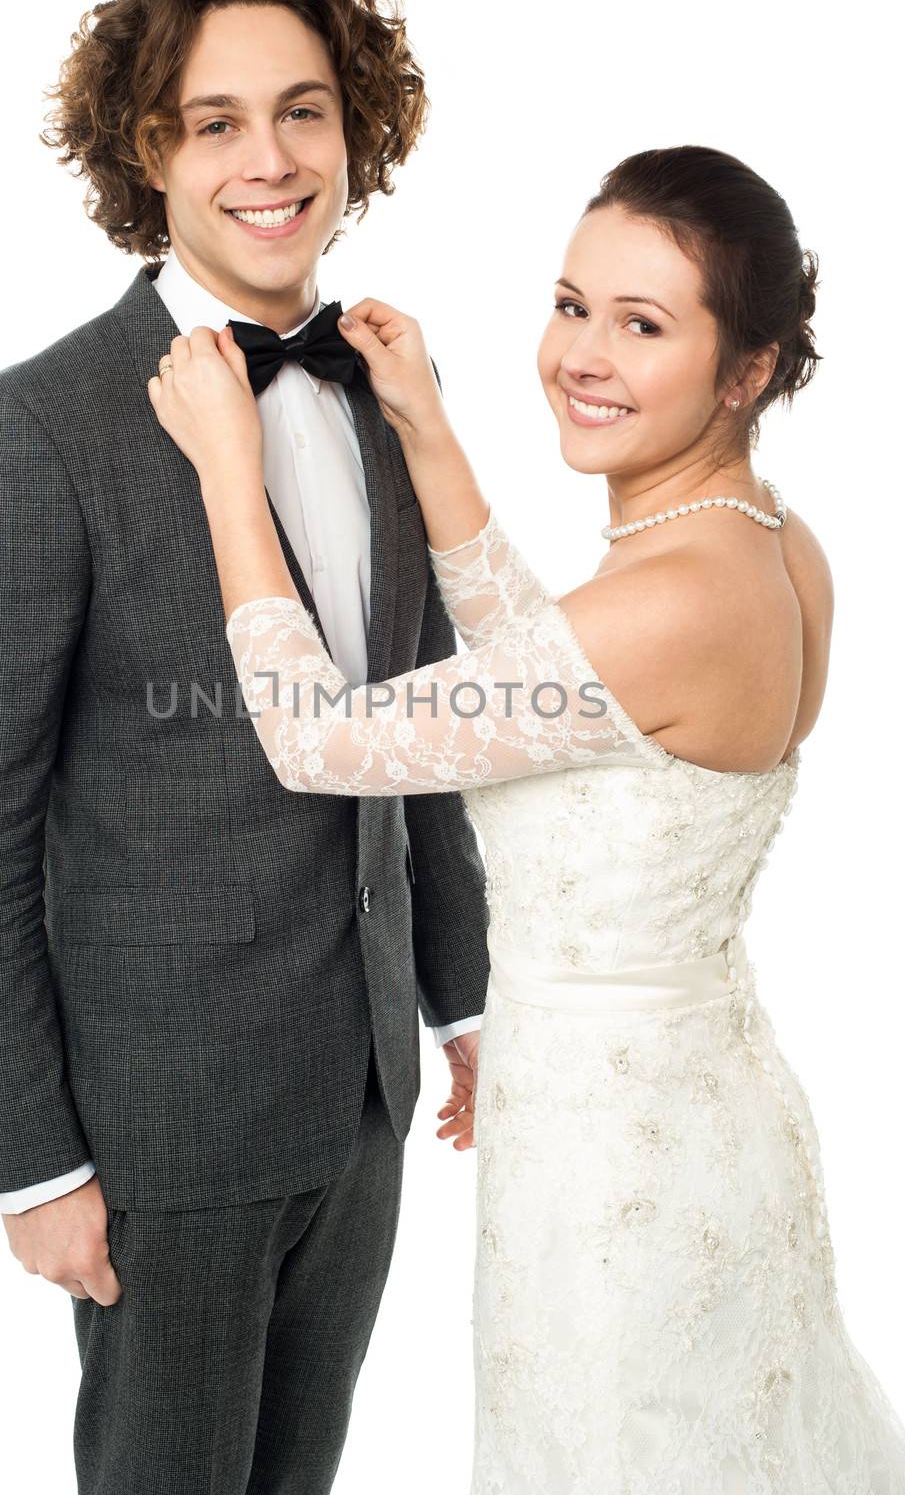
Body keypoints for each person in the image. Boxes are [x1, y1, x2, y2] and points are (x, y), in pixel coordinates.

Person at [148, 144, 905, 1490]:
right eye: (570, 306)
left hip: (621, 1182)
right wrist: (427, 430)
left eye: (642, 324)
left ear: (749, 370)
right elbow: (556, 689)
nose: (582, 356)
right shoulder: (771, 544)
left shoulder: (674, 600)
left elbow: (321, 742)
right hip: (667, 1100)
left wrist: (225, 464)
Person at [0, 0, 491, 1494]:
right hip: (158, 1131)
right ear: (146, 152)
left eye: (303, 112)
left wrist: (466, 1004)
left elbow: (420, 724)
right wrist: (30, 1159)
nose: (270, 159)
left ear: (355, 129)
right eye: (214, 121)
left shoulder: (384, 389)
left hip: (362, 1104)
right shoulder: (24, 431)